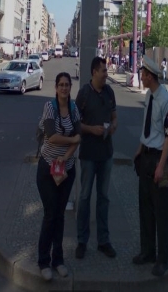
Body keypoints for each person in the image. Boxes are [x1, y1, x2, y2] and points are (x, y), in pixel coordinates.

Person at [133, 59, 168, 278]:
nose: (141, 74)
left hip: (159, 158)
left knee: (161, 212)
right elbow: (146, 126)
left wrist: (161, 166)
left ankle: (163, 259)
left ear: (150, 75)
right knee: (145, 207)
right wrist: (140, 148)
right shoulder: (149, 96)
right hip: (146, 156)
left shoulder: (166, 101)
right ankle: (147, 251)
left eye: (143, 72)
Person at [36, 73, 80, 281]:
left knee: (60, 215)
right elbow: (52, 135)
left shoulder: (73, 109)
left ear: (70, 87)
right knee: (50, 214)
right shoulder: (49, 107)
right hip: (47, 168)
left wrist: (65, 157)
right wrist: (71, 140)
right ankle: (43, 261)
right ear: (55, 88)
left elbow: (78, 139)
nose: (64, 88)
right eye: (61, 85)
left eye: (67, 85)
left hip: (66, 169)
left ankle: (58, 260)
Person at [75, 56, 118, 260]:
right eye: (103, 71)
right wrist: (91, 129)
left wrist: (113, 127)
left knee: (104, 198)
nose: (106, 74)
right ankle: (82, 241)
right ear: (94, 72)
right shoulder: (84, 93)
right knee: (84, 197)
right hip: (88, 154)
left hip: (106, 153)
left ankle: (103, 241)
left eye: (106, 70)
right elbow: (75, 123)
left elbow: (114, 116)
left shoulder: (109, 92)